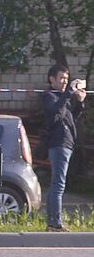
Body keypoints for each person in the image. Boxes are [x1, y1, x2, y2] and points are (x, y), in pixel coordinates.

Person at [43, 64, 86, 231]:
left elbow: (69, 119)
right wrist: (68, 93)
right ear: (51, 79)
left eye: (67, 79)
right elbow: (55, 113)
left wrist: (80, 103)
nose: (64, 82)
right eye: (62, 79)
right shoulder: (50, 96)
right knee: (58, 185)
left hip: (66, 143)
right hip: (58, 143)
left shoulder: (62, 98)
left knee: (58, 184)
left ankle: (53, 222)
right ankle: (55, 222)